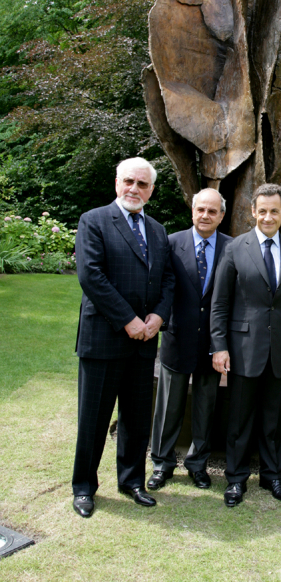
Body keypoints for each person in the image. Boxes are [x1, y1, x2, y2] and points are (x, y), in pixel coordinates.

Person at [72, 157, 175, 517]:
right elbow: (91, 275)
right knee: (94, 418)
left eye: (142, 184)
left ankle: (132, 481)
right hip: (104, 338)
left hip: (145, 342)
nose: (134, 189)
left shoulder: (159, 231)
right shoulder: (94, 221)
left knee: (136, 419)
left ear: (151, 190)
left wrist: (158, 316)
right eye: (128, 181)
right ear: (117, 183)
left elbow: (168, 280)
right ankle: (84, 487)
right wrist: (129, 320)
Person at [210, 184, 281, 507]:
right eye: (262, 210)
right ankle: (236, 480)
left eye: (274, 211)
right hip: (243, 349)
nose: (268, 216)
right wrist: (219, 346)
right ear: (253, 212)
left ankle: (272, 476)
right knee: (239, 420)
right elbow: (220, 303)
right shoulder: (236, 248)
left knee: (273, 419)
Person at [147, 188, 231, 492]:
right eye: (201, 210)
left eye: (212, 211)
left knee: (206, 408)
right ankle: (161, 463)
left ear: (222, 215)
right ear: (192, 211)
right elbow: (160, 288)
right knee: (168, 406)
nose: (206, 216)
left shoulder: (232, 248)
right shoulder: (171, 244)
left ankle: (198, 465)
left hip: (213, 344)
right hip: (177, 339)